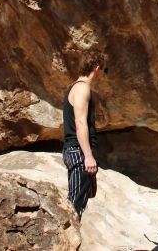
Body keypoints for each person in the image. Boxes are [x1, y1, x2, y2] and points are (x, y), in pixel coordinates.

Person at [62, 53, 106, 218]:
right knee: (73, 207)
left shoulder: (73, 86)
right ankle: (63, 240)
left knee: (80, 201)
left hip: (76, 149)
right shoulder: (82, 88)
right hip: (79, 152)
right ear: (96, 68)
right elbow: (80, 123)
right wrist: (88, 156)